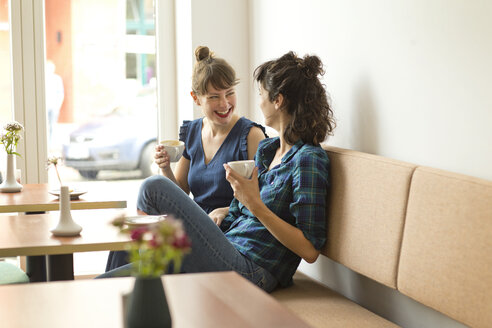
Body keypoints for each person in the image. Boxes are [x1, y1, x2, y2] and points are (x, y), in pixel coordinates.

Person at [101, 51, 336, 292]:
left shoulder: (308, 159)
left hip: (251, 269)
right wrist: (225, 211)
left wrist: (254, 204)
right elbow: (238, 209)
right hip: (226, 246)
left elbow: (309, 249)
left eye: (261, 95)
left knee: (153, 188)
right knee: (112, 278)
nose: (259, 102)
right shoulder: (268, 150)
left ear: (278, 100)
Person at [105, 46, 267, 271]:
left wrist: (226, 210)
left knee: (148, 201)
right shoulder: (192, 132)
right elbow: (180, 192)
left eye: (229, 93)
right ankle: (124, 291)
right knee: (128, 234)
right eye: (213, 97)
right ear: (196, 98)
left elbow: (265, 197)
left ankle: (133, 281)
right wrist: (165, 169)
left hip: (225, 235)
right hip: (192, 226)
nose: (224, 103)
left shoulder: (251, 135)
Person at [45, 60, 64, 145]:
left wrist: (58, 105)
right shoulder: (43, 79)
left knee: (52, 125)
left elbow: (60, 93)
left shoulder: (56, 79)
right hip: (45, 106)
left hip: (54, 106)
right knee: (44, 125)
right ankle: (44, 142)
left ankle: (51, 143)